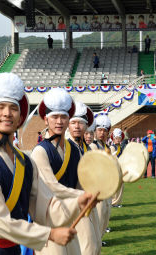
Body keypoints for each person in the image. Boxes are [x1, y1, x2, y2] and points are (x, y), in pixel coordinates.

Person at [0, 73, 95, 255]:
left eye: (13, 108)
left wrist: (79, 202)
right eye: (0, 107)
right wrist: (49, 235)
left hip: (15, 248)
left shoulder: (26, 162)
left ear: (20, 118)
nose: (7, 113)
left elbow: (45, 208)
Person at [31, 92, 101, 255]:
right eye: (54, 117)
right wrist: (83, 195)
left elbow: (80, 181)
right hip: (49, 220)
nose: (59, 121)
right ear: (46, 119)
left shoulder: (74, 151)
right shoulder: (40, 151)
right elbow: (50, 186)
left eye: (63, 117)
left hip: (71, 216)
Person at [88, 114, 113, 245]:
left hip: (106, 187)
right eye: (99, 130)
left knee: (105, 215)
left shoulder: (105, 146)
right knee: (99, 215)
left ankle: (99, 239)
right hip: (97, 188)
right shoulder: (93, 146)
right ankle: (96, 240)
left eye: (105, 131)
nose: (102, 133)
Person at [110, 128, 125, 208]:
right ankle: (113, 202)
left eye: (119, 138)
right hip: (114, 169)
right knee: (115, 187)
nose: (118, 140)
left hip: (120, 169)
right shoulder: (112, 147)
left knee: (120, 187)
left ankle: (117, 202)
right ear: (113, 139)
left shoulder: (120, 147)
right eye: (116, 138)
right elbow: (114, 158)